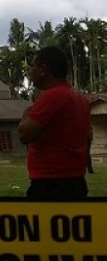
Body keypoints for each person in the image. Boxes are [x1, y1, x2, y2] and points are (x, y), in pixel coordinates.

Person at [19, 46, 91, 200]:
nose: (31, 72)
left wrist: (26, 113)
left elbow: (24, 134)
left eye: (34, 66)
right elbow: (87, 136)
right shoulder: (79, 98)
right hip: (76, 181)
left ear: (43, 70)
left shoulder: (52, 97)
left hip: (51, 185)